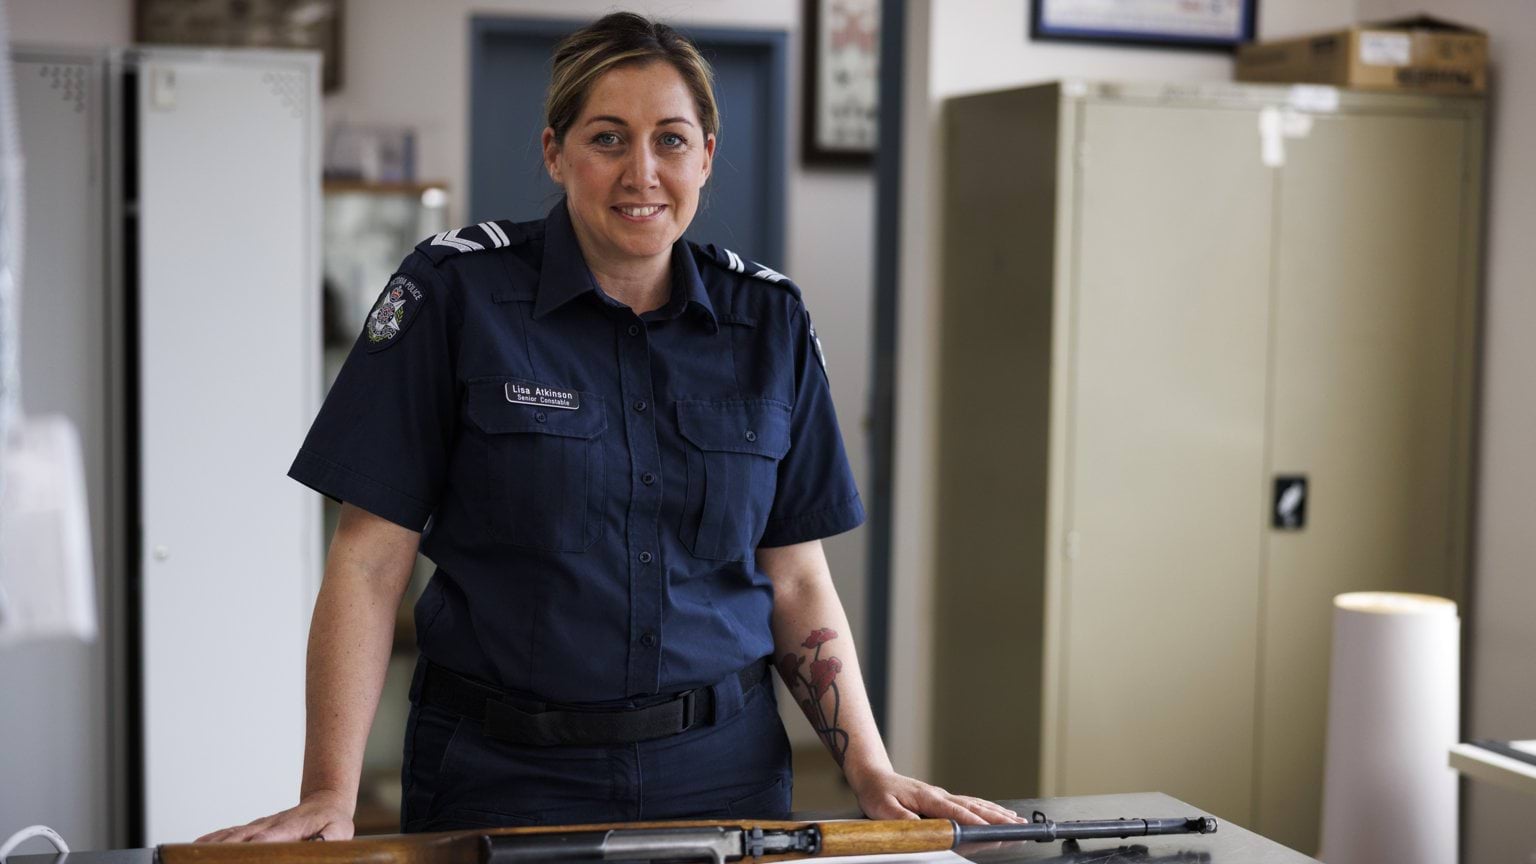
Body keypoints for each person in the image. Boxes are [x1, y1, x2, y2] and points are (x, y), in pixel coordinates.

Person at [197, 12, 1025, 842]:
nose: (642, 173)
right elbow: (371, 561)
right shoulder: (455, 295)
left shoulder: (769, 321)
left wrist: (868, 767)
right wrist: (329, 793)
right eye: (607, 139)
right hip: (503, 774)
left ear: (705, 155)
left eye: (670, 140)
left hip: (723, 771)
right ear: (556, 153)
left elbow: (797, 578)